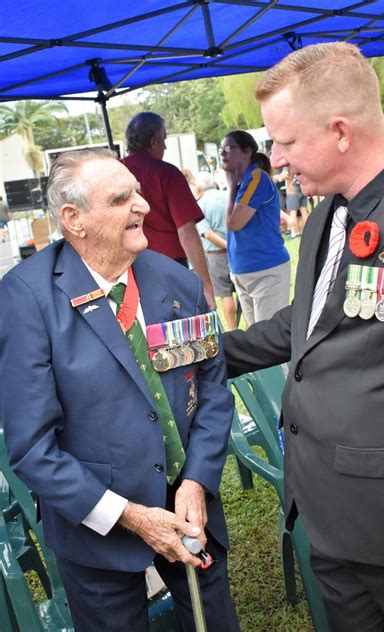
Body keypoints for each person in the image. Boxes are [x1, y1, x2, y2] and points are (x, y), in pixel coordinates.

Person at [223, 42, 384, 631]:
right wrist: (201, 356)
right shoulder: (328, 214)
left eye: (284, 142)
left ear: (339, 131)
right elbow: (302, 329)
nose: (275, 159)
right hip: (329, 523)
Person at [0, 148, 239, 632]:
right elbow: (32, 448)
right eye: (121, 197)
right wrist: (131, 516)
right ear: (74, 219)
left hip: (190, 509)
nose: (144, 205)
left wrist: (196, 479)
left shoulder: (177, 281)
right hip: (98, 529)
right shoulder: (25, 298)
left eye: (139, 191)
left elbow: (213, 386)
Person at [122, 112, 215, 309]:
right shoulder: (167, 173)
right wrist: (206, 286)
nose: (164, 146)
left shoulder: (115, 171)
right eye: (163, 140)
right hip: (168, 268)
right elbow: (187, 232)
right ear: (154, 141)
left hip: (126, 269)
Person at [220, 130, 290, 326]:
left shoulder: (256, 178)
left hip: (265, 271)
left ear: (247, 151)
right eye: (221, 149)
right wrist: (232, 184)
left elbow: (234, 223)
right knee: (256, 342)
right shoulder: (243, 181)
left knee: (269, 341)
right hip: (243, 271)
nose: (223, 153)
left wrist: (231, 185)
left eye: (228, 148)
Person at [195, 171, 237, 331]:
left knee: (225, 294)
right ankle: (249, 326)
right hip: (239, 251)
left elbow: (208, 234)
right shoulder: (228, 196)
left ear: (199, 188)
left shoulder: (200, 204)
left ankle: (232, 329)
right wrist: (234, 246)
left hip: (217, 255)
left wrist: (227, 246)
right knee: (243, 292)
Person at [286, 173, 308, 238]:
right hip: (302, 189)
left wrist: (277, 177)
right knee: (304, 211)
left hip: (293, 190)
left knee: (293, 211)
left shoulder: (287, 164)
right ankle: (305, 231)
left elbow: (285, 174)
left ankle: (293, 233)